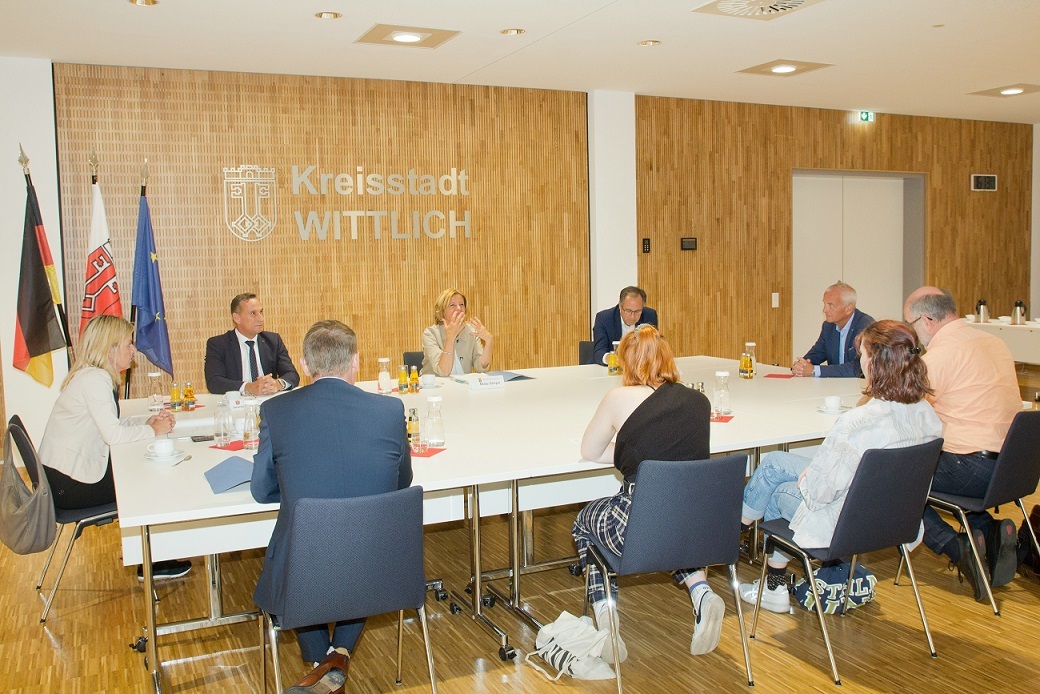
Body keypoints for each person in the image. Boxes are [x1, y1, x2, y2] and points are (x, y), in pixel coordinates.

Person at [739, 320, 942, 613]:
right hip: (896, 519)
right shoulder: (928, 416)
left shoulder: (856, 425)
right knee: (773, 463)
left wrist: (809, 478)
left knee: (779, 490)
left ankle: (769, 580)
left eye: (862, 357)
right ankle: (745, 536)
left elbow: (820, 493)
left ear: (875, 363)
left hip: (845, 524)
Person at [251, 319, 412, 666]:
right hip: (379, 566)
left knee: (302, 557)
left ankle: (319, 662)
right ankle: (339, 653)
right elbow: (402, 482)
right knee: (359, 547)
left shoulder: (275, 411)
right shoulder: (391, 410)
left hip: (303, 569)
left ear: (305, 365)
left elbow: (261, 489)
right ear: (356, 362)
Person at [572, 325, 721, 662]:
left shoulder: (618, 398)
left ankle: (607, 622)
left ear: (628, 362)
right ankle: (701, 592)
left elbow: (590, 450)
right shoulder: (699, 401)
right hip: (696, 526)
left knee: (585, 523)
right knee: (672, 526)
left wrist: (628, 448)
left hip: (640, 527)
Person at [37, 315, 192, 579]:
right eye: (128, 344)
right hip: (70, 485)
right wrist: (152, 430)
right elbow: (113, 435)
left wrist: (146, 423)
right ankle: (151, 563)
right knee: (146, 481)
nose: (133, 349)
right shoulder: (95, 380)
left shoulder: (92, 375)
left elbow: (110, 423)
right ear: (110, 349)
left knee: (139, 470)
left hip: (62, 476)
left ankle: (148, 555)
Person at [904, 287, 1022, 599]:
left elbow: (904, 408)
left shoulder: (941, 356)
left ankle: (957, 547)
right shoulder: (995, 343)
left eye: (912, 326)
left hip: (969, 468)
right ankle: (989, 530)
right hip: (1010, 470)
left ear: (927, 320)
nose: (914, 336)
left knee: (898, 479)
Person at [204, 293, 300, 395]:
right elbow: (214, 382)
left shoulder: (273, 341)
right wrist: (248, 387)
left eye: (261, 312)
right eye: (253, 313)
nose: (261, 318)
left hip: (267, 402)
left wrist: (277, 384)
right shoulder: (218, 344)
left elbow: (292, 374)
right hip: (236, 405)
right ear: (237, 318)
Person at [792, 281, 874, 378]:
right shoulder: (828, 326)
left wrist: (814, 370)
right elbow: (817, 353)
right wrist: (801, 365)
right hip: (835, 388)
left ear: (848, 309)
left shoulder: (866, 326)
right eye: (825, 304)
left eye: (831, 305)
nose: (824, 310)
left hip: (859, 388)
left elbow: (858, 368)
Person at [421, 288, 494, 376]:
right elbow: (443, 372)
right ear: (442, 311)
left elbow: (481, 367)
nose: (459, 308)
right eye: (452, 305)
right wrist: (450, 337)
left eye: (461, 304)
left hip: (462, 386)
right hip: (435, 386)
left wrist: (489, 341)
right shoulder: (430, 333)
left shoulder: (471, 331)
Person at [589, 286, 659, 365]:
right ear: (620, 305)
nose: (632, 316)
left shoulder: (649, 315)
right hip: (610, 369)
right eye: (628, 311)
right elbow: (599, 352)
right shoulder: (604, 318)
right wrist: (611, 358)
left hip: (638, 368)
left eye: (637, 311)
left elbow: (653, 347)